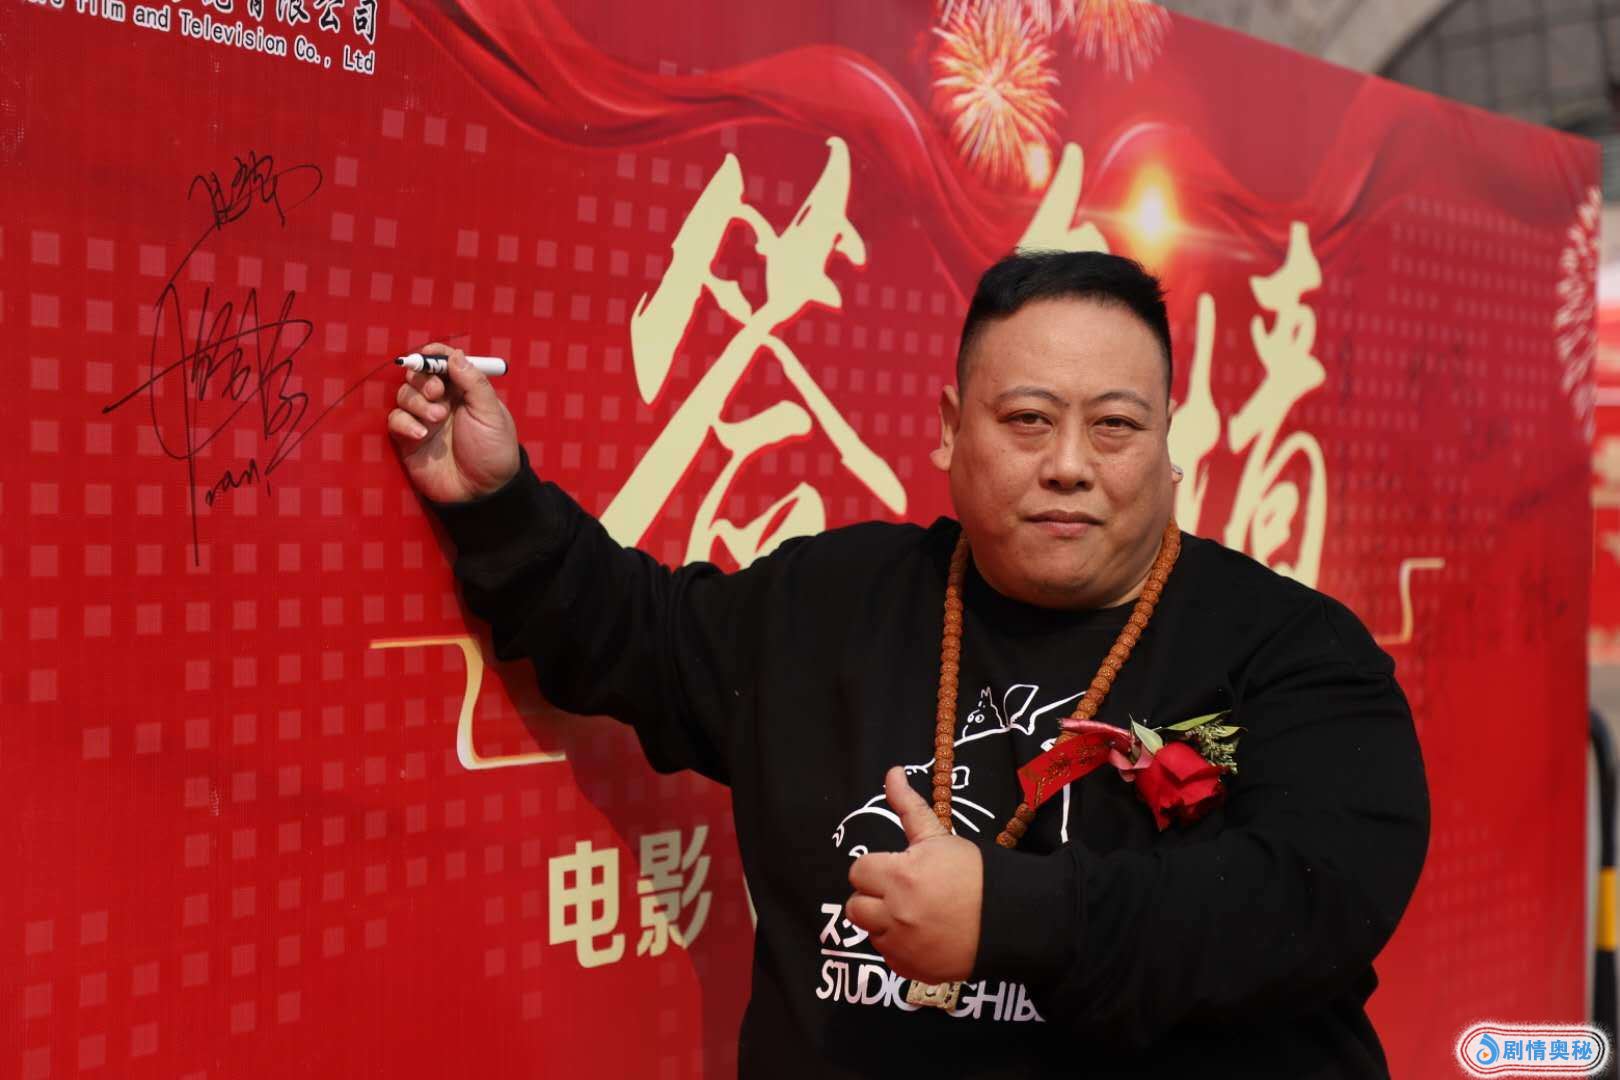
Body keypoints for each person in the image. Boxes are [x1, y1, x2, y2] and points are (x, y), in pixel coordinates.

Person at [386, 251, 1429, 1078]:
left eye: (1115, 426)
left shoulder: (1294, 652)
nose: (1070, 465)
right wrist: (498, 505)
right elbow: (633, 635)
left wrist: (1012, 917)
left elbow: (1312, 902)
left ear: (1168, 445)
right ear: (949, 430)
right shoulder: (829, 602)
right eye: (1028, 421)